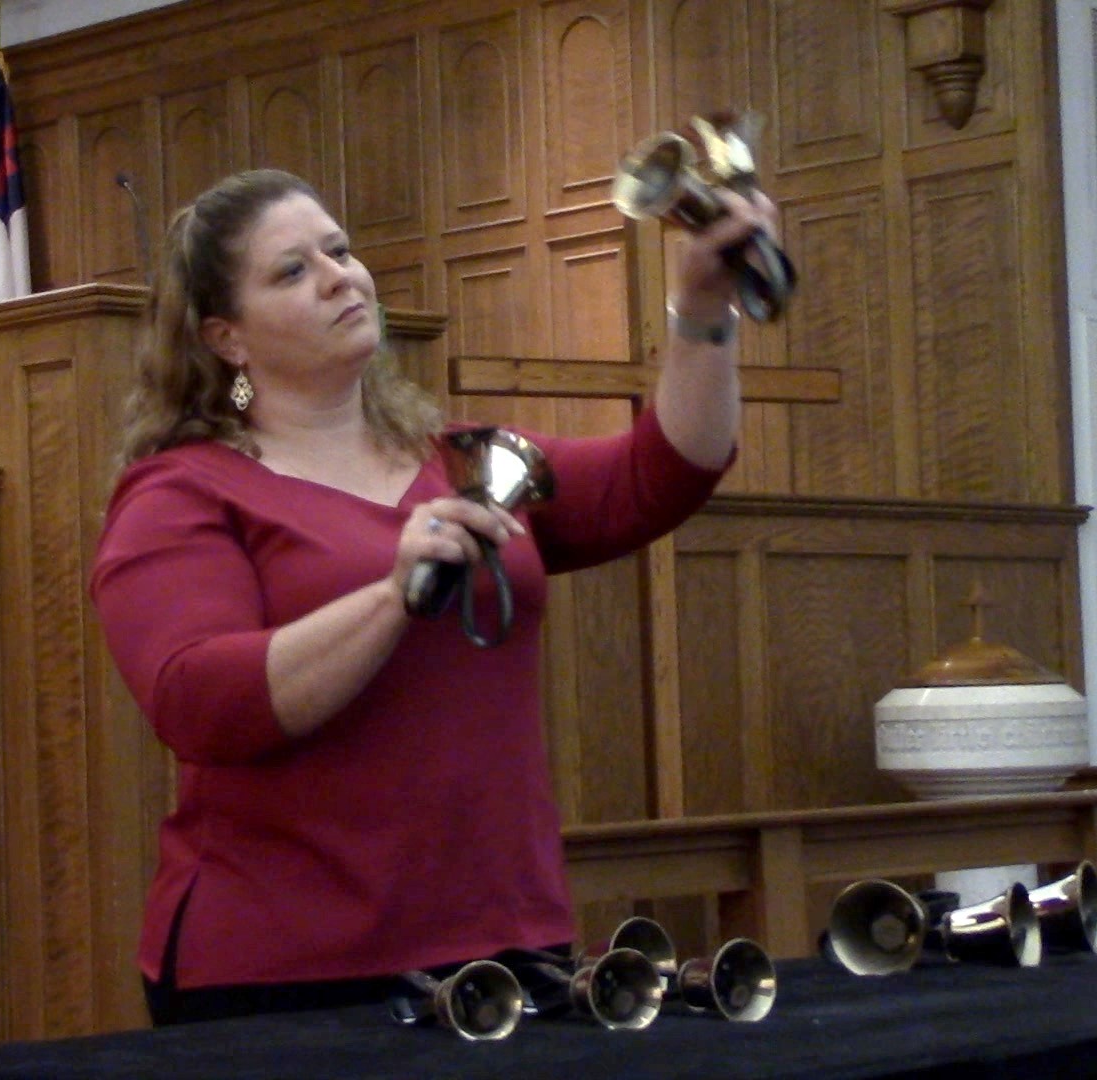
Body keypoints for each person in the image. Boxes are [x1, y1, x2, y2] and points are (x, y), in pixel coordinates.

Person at [90, 167, 776, 1025]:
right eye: (293, 271)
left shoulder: (464, 463)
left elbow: (662, 474)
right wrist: (393, 596)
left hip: (503, 942)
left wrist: (704, 308)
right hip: (291, 967)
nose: (342, 275)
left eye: (339, 251)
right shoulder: (180, 493)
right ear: (228, 338)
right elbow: (199, 701)